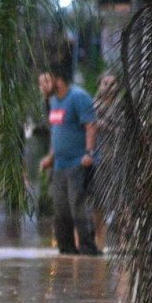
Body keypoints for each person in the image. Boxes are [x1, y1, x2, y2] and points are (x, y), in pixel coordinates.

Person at [39, 68, 101, 256]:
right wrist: (50, 157)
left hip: (77, 163)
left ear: (57, 80)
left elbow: (91, 125)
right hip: (59, 165)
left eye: (45, 82)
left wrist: (89, 153)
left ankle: (88, 248)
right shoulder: (53, 101)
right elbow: (57, 132)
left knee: (78, 205)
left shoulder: (78, 97)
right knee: (60, 208)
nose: (41, 87)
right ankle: (66, 249)